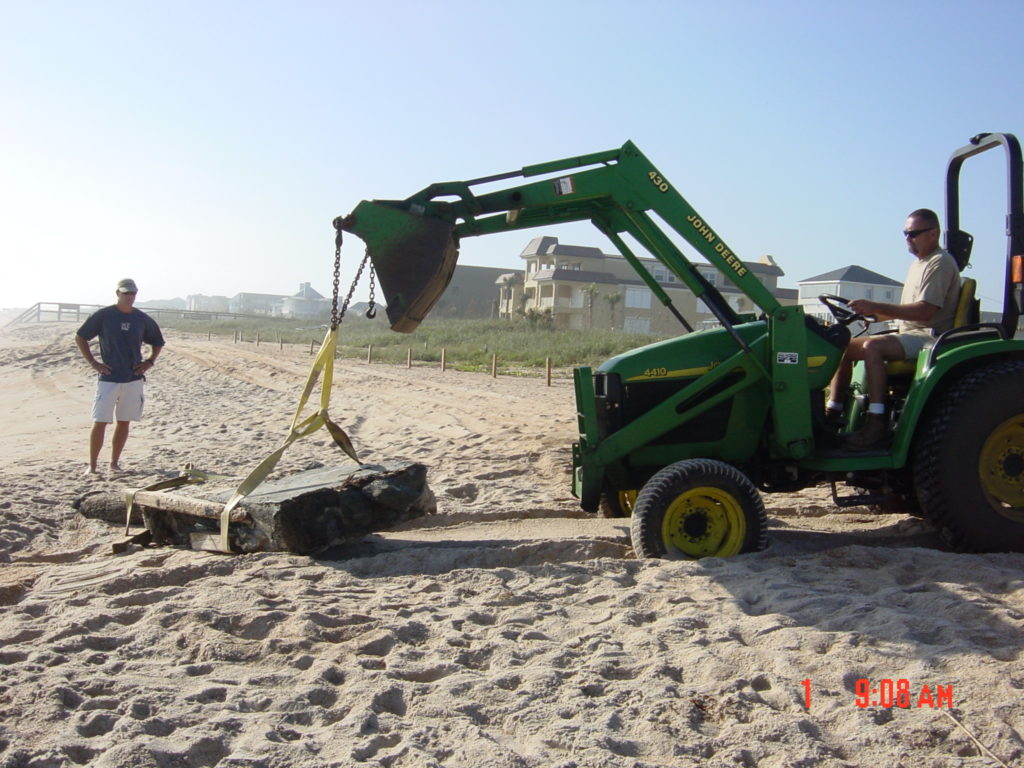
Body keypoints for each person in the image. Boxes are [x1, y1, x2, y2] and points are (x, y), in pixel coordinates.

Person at [826, 209, 960, 450]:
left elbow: (925, 312)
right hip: (908, 331)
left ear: (933, 233)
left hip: (929, 335)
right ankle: (832, 412)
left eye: (913, 234)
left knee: (872, 347)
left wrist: (876, 305)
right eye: (905, 234)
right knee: (841, 346)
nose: (908, 239)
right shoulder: (918, 264)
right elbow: (905, 309)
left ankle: (876, 423)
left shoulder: (940, 263)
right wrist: (872, 313)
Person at [75, 278, 165, 474]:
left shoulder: (141, 318)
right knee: (100, 421)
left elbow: (158, 342)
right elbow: (81, 337)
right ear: (118, 294)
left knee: (124, 421)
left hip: (133, 378)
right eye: (126, 293)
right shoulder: (104, 315)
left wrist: (149, 362)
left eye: (133, 294)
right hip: (108, 378)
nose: (130, 297)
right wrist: (94, 363)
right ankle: (92, 466)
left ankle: (114, 463)